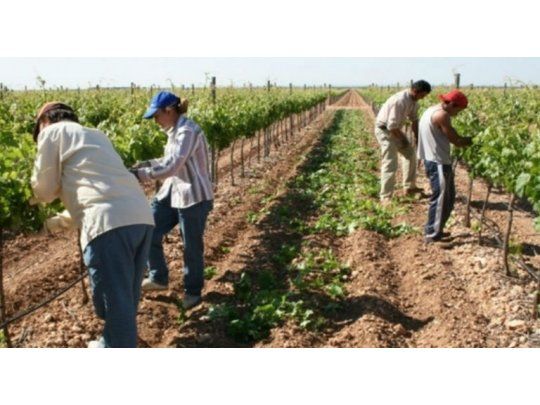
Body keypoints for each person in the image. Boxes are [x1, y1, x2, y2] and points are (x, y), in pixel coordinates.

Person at [31, 102, 155, 348]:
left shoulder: (51, 133)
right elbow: (95, 191)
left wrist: (26, 204)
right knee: (123, 302)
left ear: (45, 121)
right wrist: (56, 223)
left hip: (108, 227)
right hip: (140, 218)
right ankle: (112, 343)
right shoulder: (96, 135)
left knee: (115, 305)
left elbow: (43, 190)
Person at [131, 91, 213, 310]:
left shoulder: (187, 131)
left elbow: (172, 166)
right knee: (148, 228)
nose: (155, 121)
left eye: (156, 116)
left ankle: (193, 292)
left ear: (169, 111)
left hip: (193, 196)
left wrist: (140, 176)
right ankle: (158, 277)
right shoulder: (173, 131)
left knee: (191, 247)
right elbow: (167, 160)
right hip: (172, 192)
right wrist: (143, 164)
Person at [417, 89, 473, 243]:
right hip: (438, 162)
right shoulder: (442, 115)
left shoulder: (431, 110)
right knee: (441, 198)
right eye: (459, 110)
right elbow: (456, 140)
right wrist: (474, 140)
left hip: (437, 161)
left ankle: (438, 230)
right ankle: (431, 234)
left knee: (449, 198)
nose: (458, 114)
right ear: (453, 105)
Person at [374, 80, 432, 204]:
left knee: (410, 154)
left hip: (395, 130)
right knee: (390, 162)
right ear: (416, 91)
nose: (423, 98)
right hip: (385, 131)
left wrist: (417, 137)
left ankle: (409, 187)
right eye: (422, 95)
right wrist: (404, 139)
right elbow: (392, 126)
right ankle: (385, 196)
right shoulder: (400, 101)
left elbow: (414, 120)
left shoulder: (414, 102)